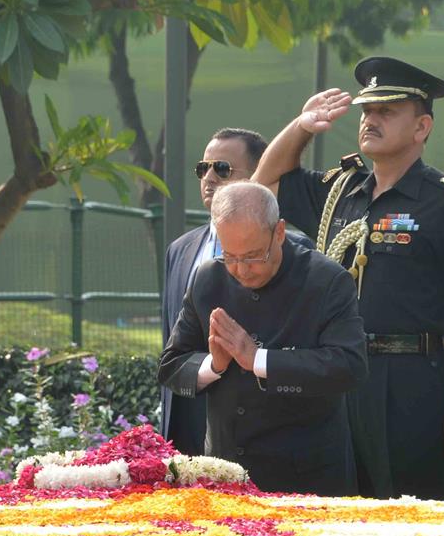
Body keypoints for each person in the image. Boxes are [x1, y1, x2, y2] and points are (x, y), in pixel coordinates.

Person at [252, 56, 444, 500]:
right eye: (366, 111)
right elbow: (264, 183)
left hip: (410, 380)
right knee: (337, 507)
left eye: (386, 112)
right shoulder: (341, 190)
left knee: (412, 515)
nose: (370, 120)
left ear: (421, 128)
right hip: (336, 373)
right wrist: (303, 126)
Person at [158, 182, 368, 496]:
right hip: (225, 472)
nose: (242, 270)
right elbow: (171, 366)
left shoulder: (326, 280)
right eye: (230, 256)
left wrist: (258, 359)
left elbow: (349, 366)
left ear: (279, 232)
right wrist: (214, 365)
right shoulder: (208, 279)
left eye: (254, 256)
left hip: (306, 477)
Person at [161, 128, 266, 455]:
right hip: (189, 411)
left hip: (256, 417)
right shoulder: (180, 249)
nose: (208, 177)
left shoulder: (286, 249)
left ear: (257, 175)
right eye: (202, 168)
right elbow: (171, 339)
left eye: (221, 168)